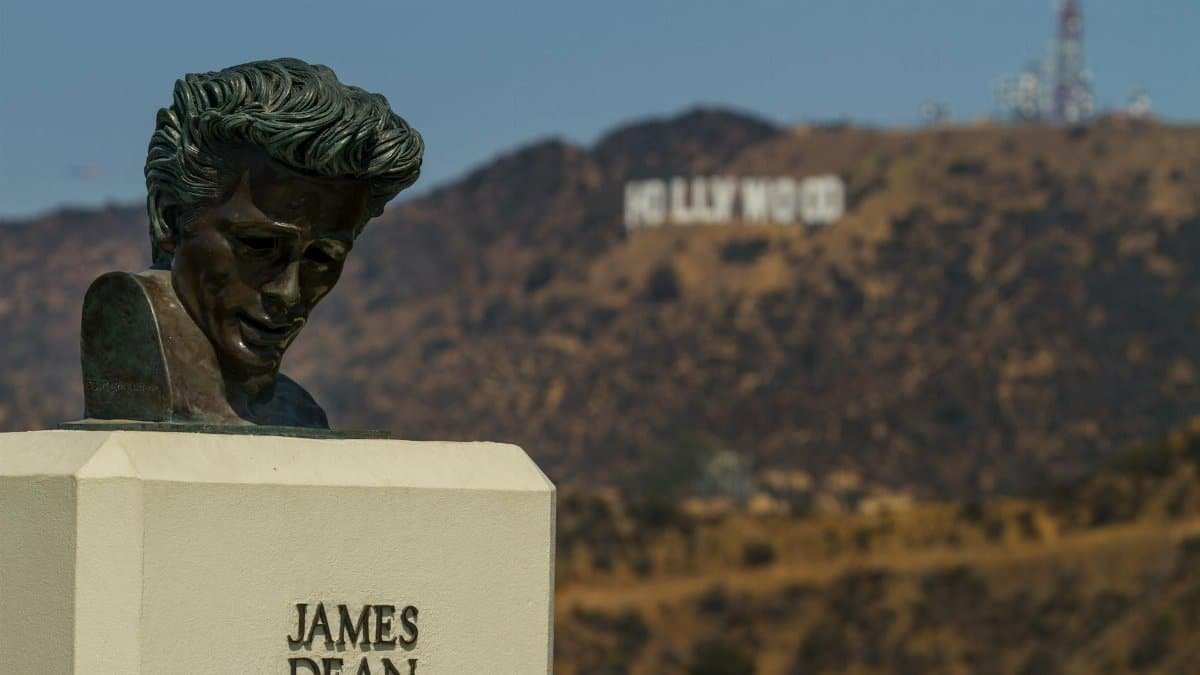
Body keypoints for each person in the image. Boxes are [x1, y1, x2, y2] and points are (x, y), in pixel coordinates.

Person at [80, 58, 423, 428]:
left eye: (322, 258)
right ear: (170, 215)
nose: (289, 293)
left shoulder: (298, 412)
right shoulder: (132, 370)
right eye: (259, 246)